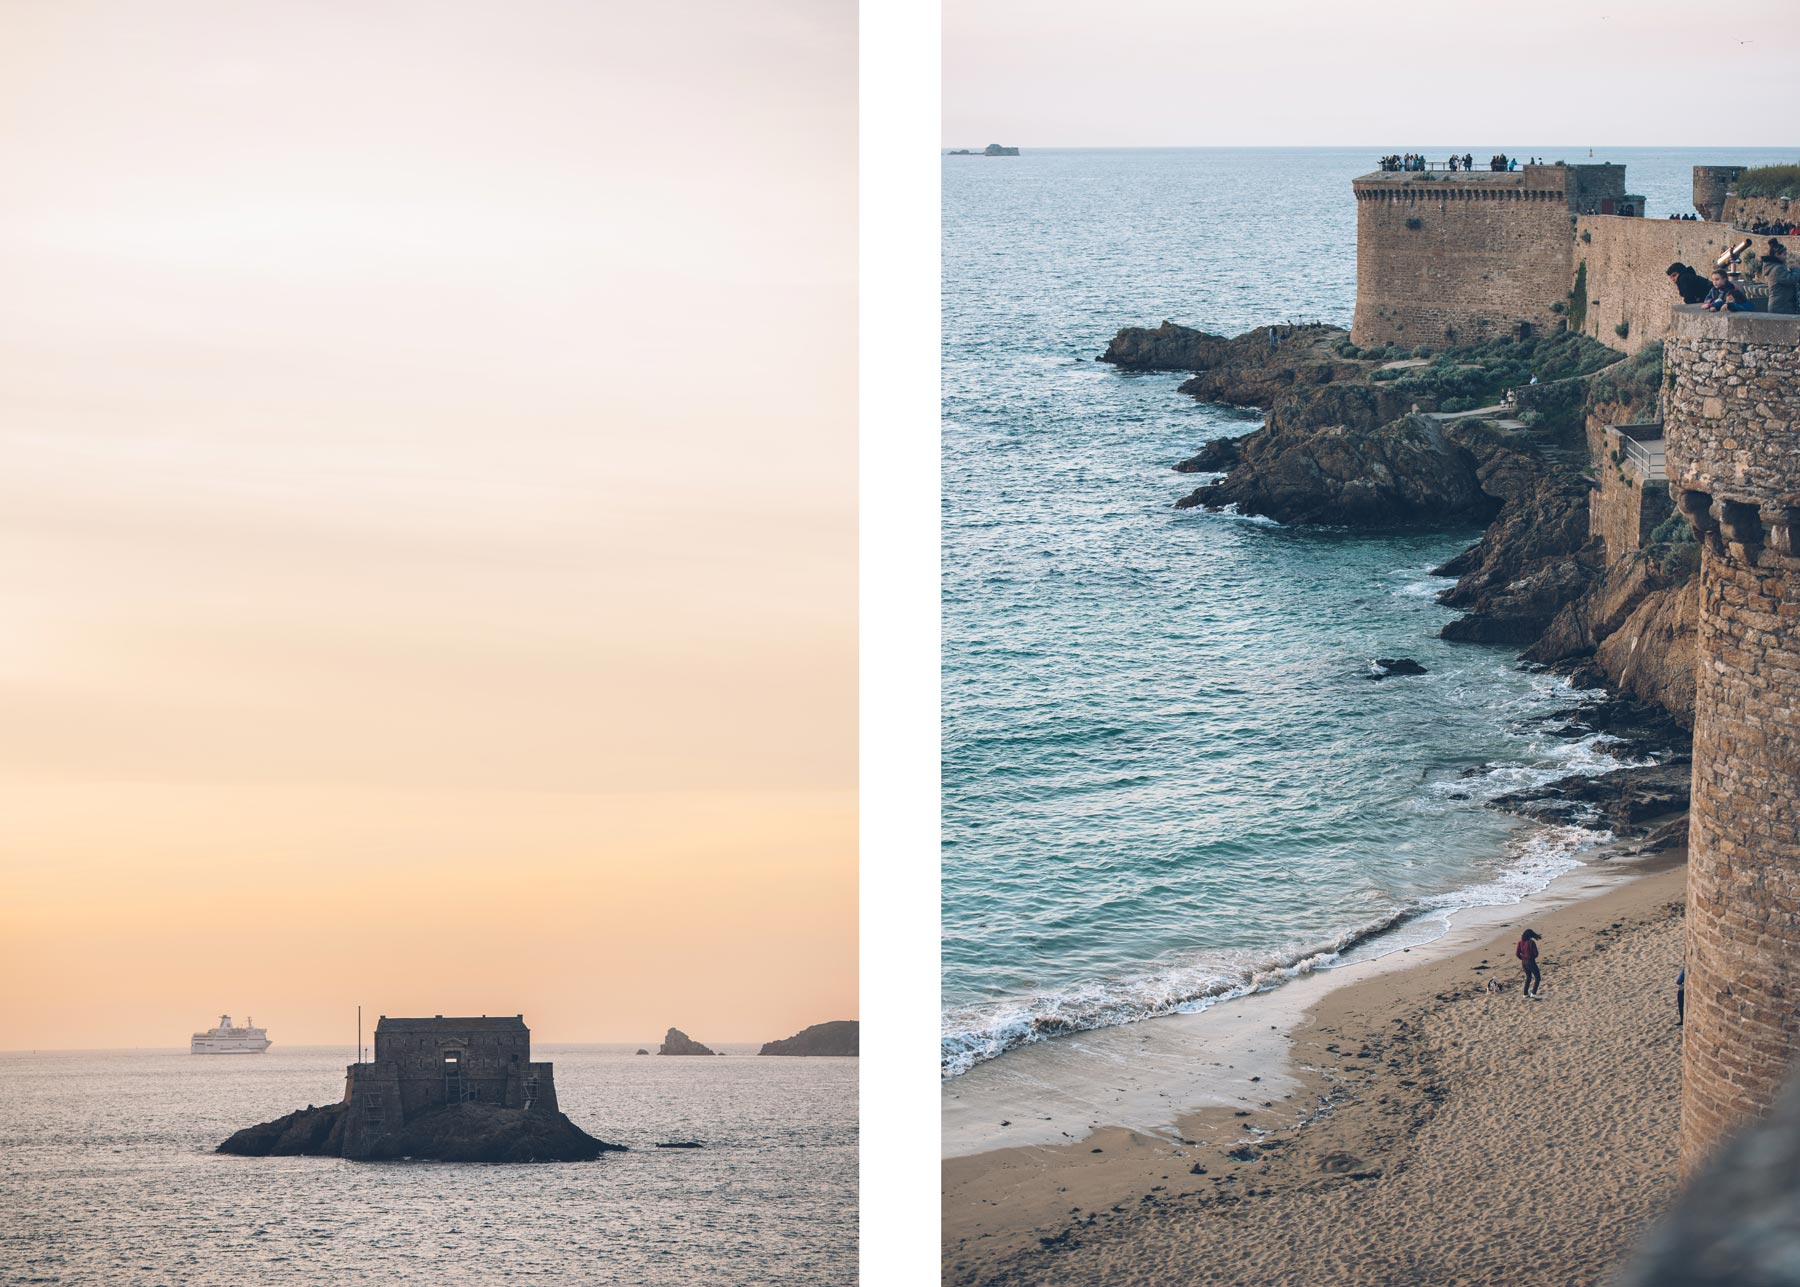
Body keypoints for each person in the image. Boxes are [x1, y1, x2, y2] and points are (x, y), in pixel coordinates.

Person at [1762, 240, 1797, 315]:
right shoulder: (1777, 269)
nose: (1786, 257)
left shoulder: (1774, 267)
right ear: (1777, 255)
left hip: (1781, 306)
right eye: (1784, 254)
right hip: (1781, 307)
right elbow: (1791, 279)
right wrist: (1796, 270)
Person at [1517, 928, 1543, 998]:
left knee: (1528, 977)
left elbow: (1517, 954)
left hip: (1524, 962)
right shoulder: (1531, 942)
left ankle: (1525, 993)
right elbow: (1536, 953)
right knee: (1537, 977)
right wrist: (1532, 957)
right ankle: (1533, 993)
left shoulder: (1520, 942)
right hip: (1531, 961)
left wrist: (1522, 958)